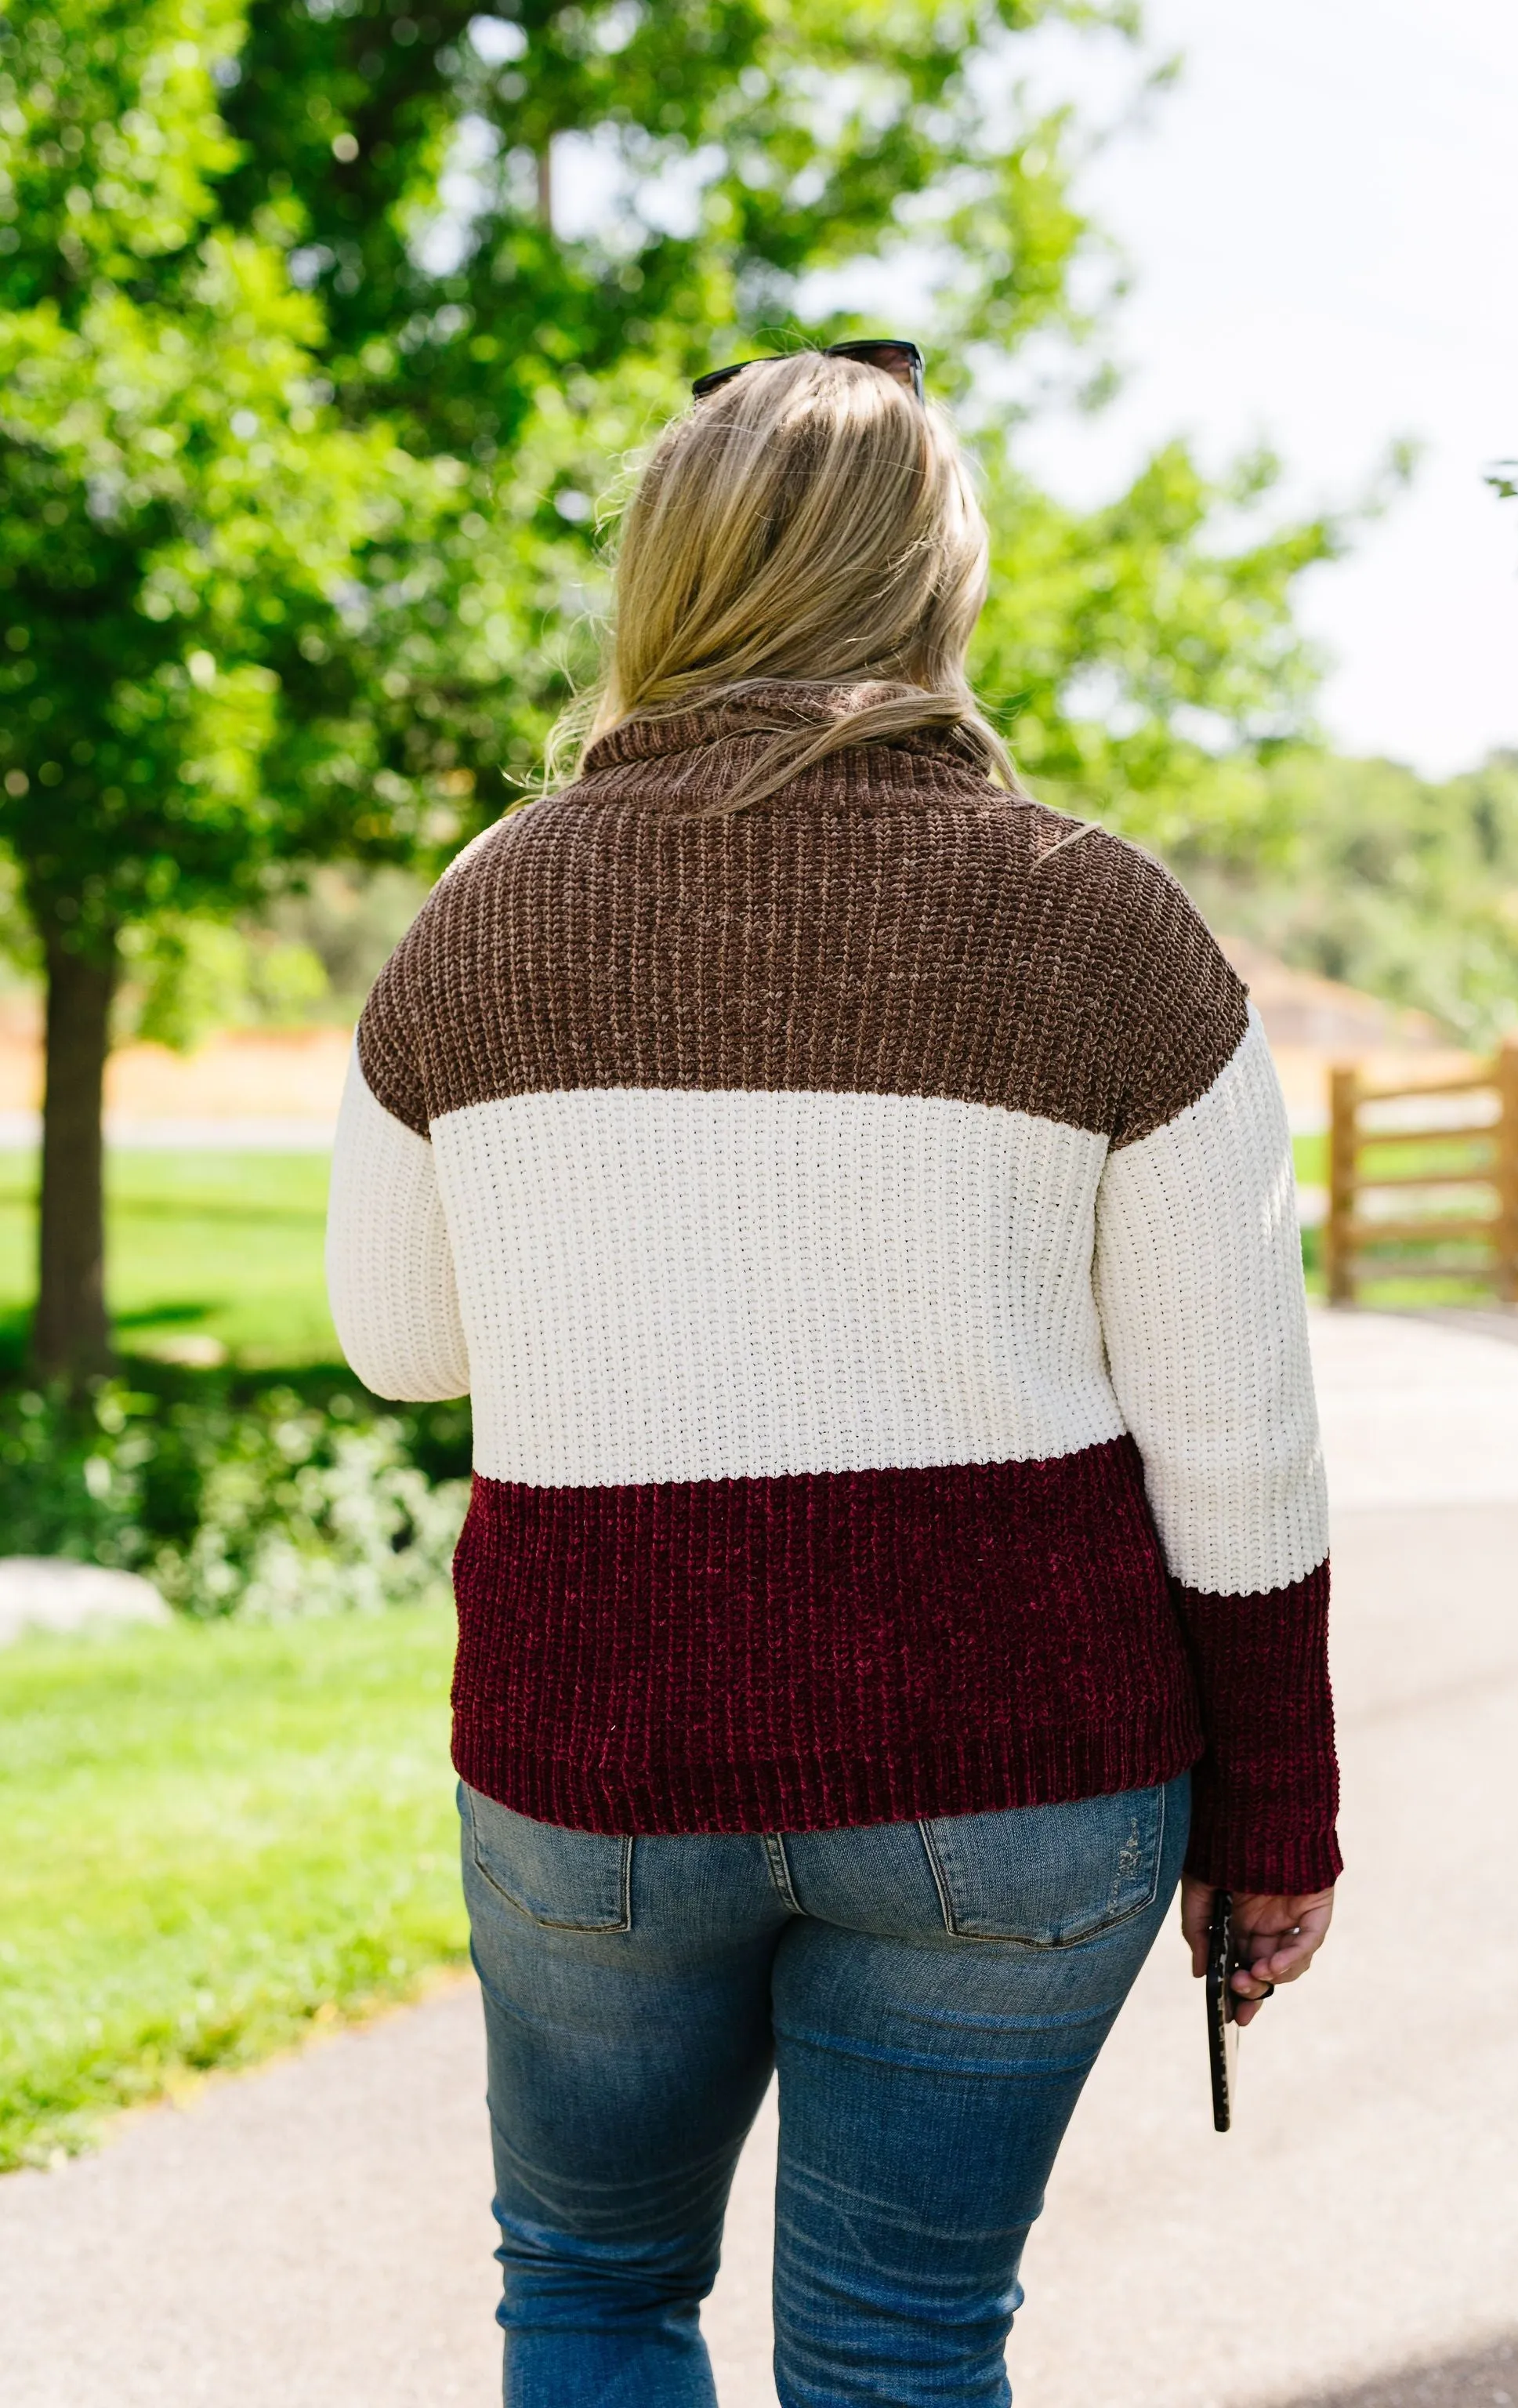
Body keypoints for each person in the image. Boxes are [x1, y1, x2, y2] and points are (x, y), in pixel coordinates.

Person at [326, 339, 1339, 2408]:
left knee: (595, 2287)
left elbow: (399, 1346)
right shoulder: (1110, 926)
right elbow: (1236, 1447)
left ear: (662, 579)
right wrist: (1282, 1814)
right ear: (937, 582)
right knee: (900, 2345)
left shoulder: (478, 917)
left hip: (595, 1754)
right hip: (1020, 1768)